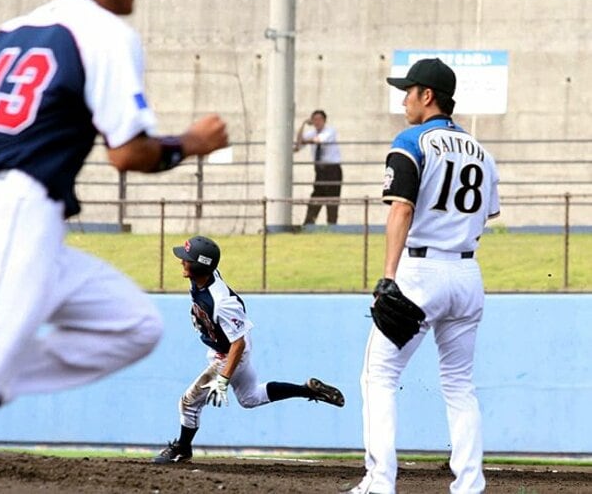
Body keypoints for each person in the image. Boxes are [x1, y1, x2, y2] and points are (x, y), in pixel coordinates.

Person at [0, 0, 228, 491]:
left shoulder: (15, 32)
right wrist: (191, 142)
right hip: (11, 224)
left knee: (134, 325)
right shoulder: (105, 33)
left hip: (20, 225)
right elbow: (128, 152)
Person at [345, 59, 500, 494]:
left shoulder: (412, 140)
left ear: (427, 95)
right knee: (459, 384)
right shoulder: (482, 152)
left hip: (419, 270)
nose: (403, 99)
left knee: (378, 376)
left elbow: (402, 208)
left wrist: (388, 276)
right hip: (467, 272)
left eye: (408, 91)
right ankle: (469, 485)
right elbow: (488, 214)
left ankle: (379, 483)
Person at [153, 235, 345, 464]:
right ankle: (308, 390)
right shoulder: (201, 278)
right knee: (250, 397)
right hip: (224, 347)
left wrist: (223, 379)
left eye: (187, 259)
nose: (182, 262)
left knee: (188, 402)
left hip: (230, 353)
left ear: (199, 265)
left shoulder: (222, 302)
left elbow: (239, 343)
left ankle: (182, 448)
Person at [294, 109, 342, 225]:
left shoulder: (330, 131)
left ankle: (332, 225)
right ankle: (309, 223)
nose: (317, 122)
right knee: (316, 196)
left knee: (332, 199)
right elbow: (298, 144)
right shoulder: (312, 133)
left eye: (319, 119)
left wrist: (305, 142)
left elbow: (318, 141)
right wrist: (303, 124)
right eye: (314, 119)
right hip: (320, 170)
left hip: (332, 169)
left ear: (324, 120)